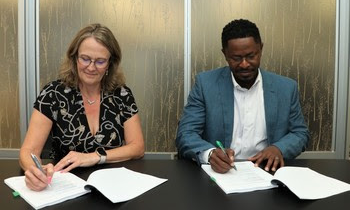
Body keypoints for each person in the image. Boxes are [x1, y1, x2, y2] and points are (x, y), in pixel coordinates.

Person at [20, 23, 145, 191]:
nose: (91, 67)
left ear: (110, 63)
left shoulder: (122, 94)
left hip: (113, 186)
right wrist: (34, 170)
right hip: (64, 186)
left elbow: (137, 147)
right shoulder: (53, 94)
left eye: (100, 61)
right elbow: (29, 150)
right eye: (85, 59)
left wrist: (95, 157)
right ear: (74, 58)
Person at [176, 19, 309, 174]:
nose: (245, 64)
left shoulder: (286, 88)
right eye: (236, 58)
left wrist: (278, 148)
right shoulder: (205, 84)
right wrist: (210, 154)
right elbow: (186, 133)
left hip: (266, 171)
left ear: (261, 49)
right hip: (220, 174)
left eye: (251, 56)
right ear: (225, 54)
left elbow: (300, 133)